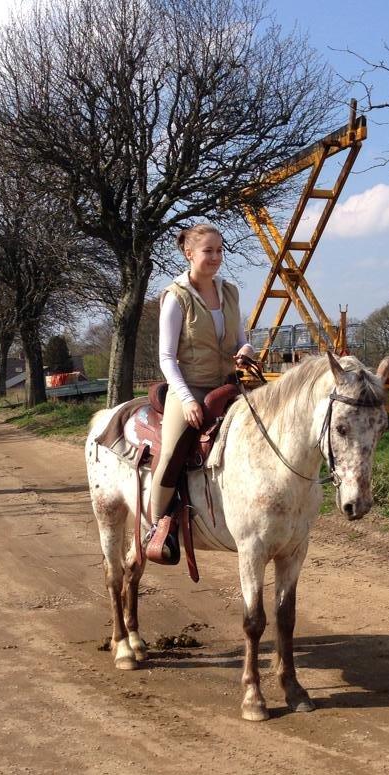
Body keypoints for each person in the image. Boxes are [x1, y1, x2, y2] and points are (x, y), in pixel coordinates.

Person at [145, 223, 254, 563]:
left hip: (227, 384)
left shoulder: (231, 292)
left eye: (220, 250)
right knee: (172, 454)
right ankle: (158, 525)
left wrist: (246, 351)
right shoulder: (175, 297)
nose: (216, 257)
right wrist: (188, 400)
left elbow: (240, 340)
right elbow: (166, 357)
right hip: (188, 386)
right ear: (189, 253)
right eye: (208, 251)